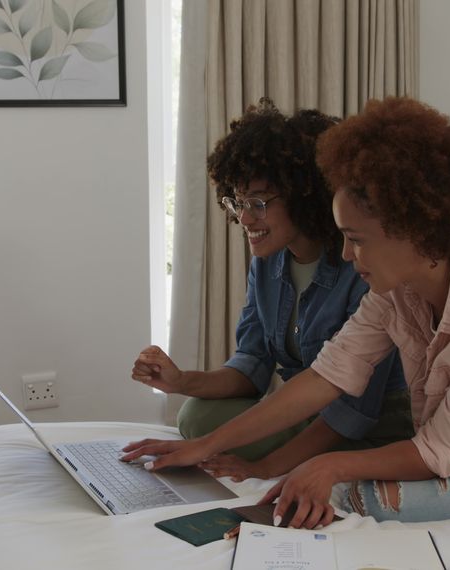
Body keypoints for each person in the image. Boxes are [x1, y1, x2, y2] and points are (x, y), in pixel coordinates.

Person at [123, 97, 450, 529]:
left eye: (356, 240)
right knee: (311, 492)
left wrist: (332, 467)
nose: (343, 255)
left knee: (345, 501)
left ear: (416, 231)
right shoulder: (396, 290)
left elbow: (439, 453)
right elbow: (325, 377)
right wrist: (203, 445)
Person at [131, 99, 412, 481]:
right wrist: (182, 381)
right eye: (238, 202)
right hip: (303, 409)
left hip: (367, 422)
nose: (245, 219)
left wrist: (264, 468)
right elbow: (253, 366)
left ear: (305, 195)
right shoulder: (267, 264)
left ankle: (343, 458)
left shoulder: (361, 272)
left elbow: (352, 408)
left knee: (206, 431)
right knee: (196, 415)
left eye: (259, 203)